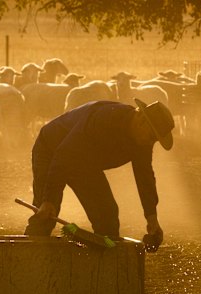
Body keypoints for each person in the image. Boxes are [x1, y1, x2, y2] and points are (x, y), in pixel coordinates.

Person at [25, 98, 175, 252]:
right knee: (47, 214)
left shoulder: (143, 141)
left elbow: (145, 177)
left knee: (107, 216)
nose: (151, 143)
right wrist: (49, 199)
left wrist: (152, 218)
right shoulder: (104, 119)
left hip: (85, 163)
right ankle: (27, 259)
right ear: (141, 120)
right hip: (51, 148)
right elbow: (64, 153)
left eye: (154, 140)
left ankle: (104, 267)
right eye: (151, 137)